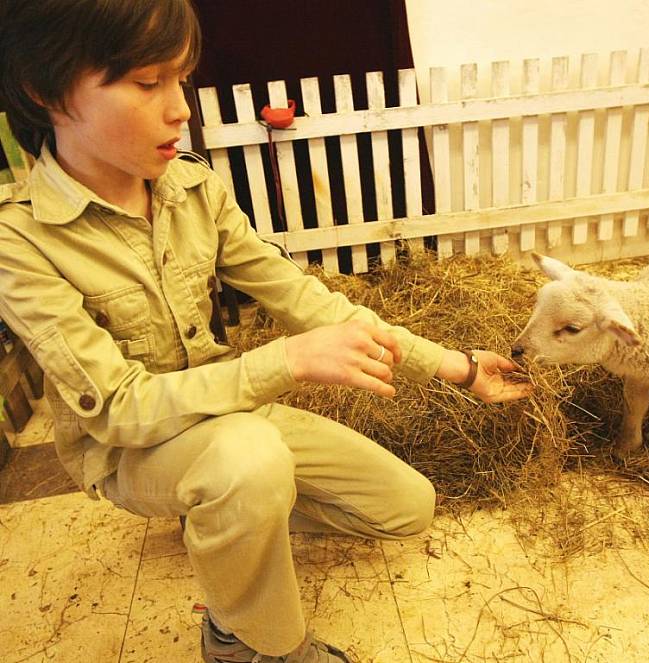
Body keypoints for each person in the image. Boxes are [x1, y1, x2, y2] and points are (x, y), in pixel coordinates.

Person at [0, 1, 531, 661]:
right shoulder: (19, 239)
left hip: (230, 418)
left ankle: (227, 519)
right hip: (131, 452)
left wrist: (460, 367)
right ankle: (250, 641)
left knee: (406, 506)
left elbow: (303, 298)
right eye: (146, 83)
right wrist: (285, 362)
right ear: (45, 91)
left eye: (179, 79)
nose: (180, 108)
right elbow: (117, 408)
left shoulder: (191, 190)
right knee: (247, 461)